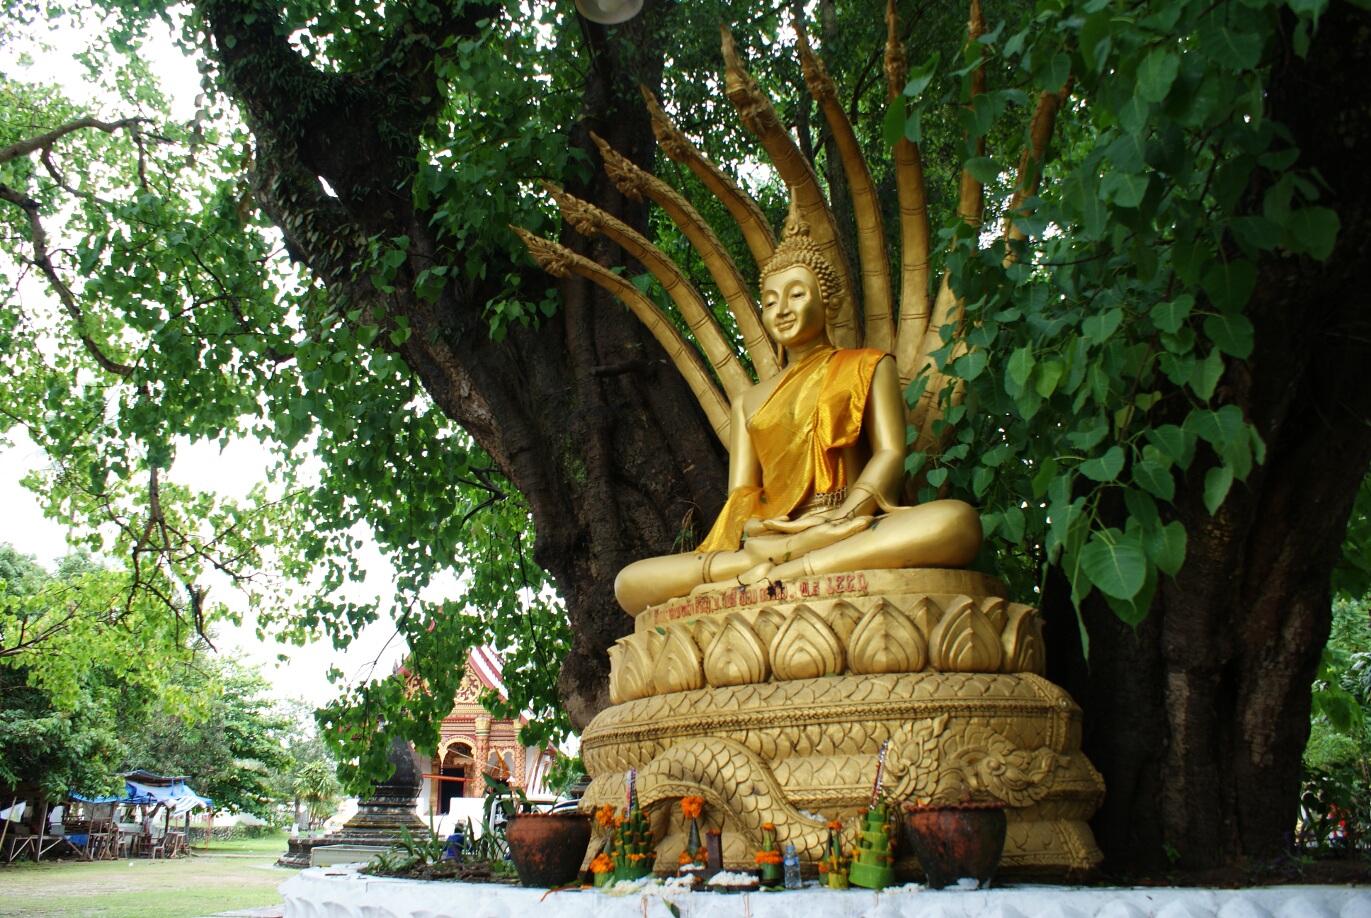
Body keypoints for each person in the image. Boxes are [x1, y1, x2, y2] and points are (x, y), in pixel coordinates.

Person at [614, 220, 982, 615]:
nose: (782, 311)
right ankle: (773, 565)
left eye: (796, 295)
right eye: (770, 302)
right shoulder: (748, 401)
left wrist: (842, 518)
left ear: (828, 302)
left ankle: (784, 573)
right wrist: (762, 532)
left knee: (956, 522)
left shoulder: (869, 366)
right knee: (629, 583)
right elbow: (742, 495)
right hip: (770, 536)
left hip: (846, 525)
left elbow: (890, 453)